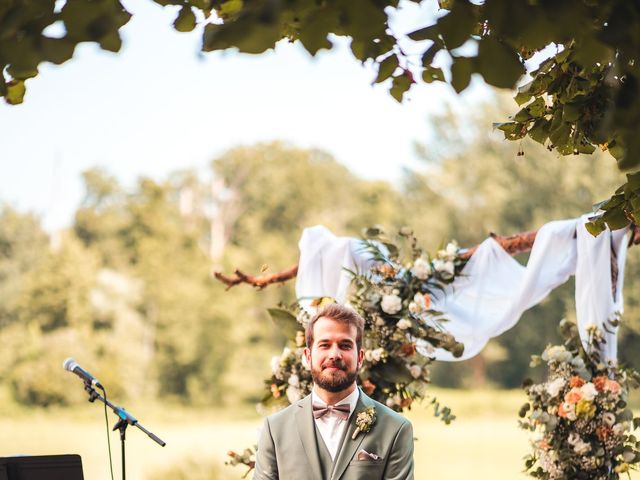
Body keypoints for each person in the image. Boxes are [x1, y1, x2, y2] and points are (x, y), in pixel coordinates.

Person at [254, 303, 414, 480]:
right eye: (324, 345)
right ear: (308, 357)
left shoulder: (396, 429)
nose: (334, 355)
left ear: (360, 358)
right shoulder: (275, 429)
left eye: (345, 345)